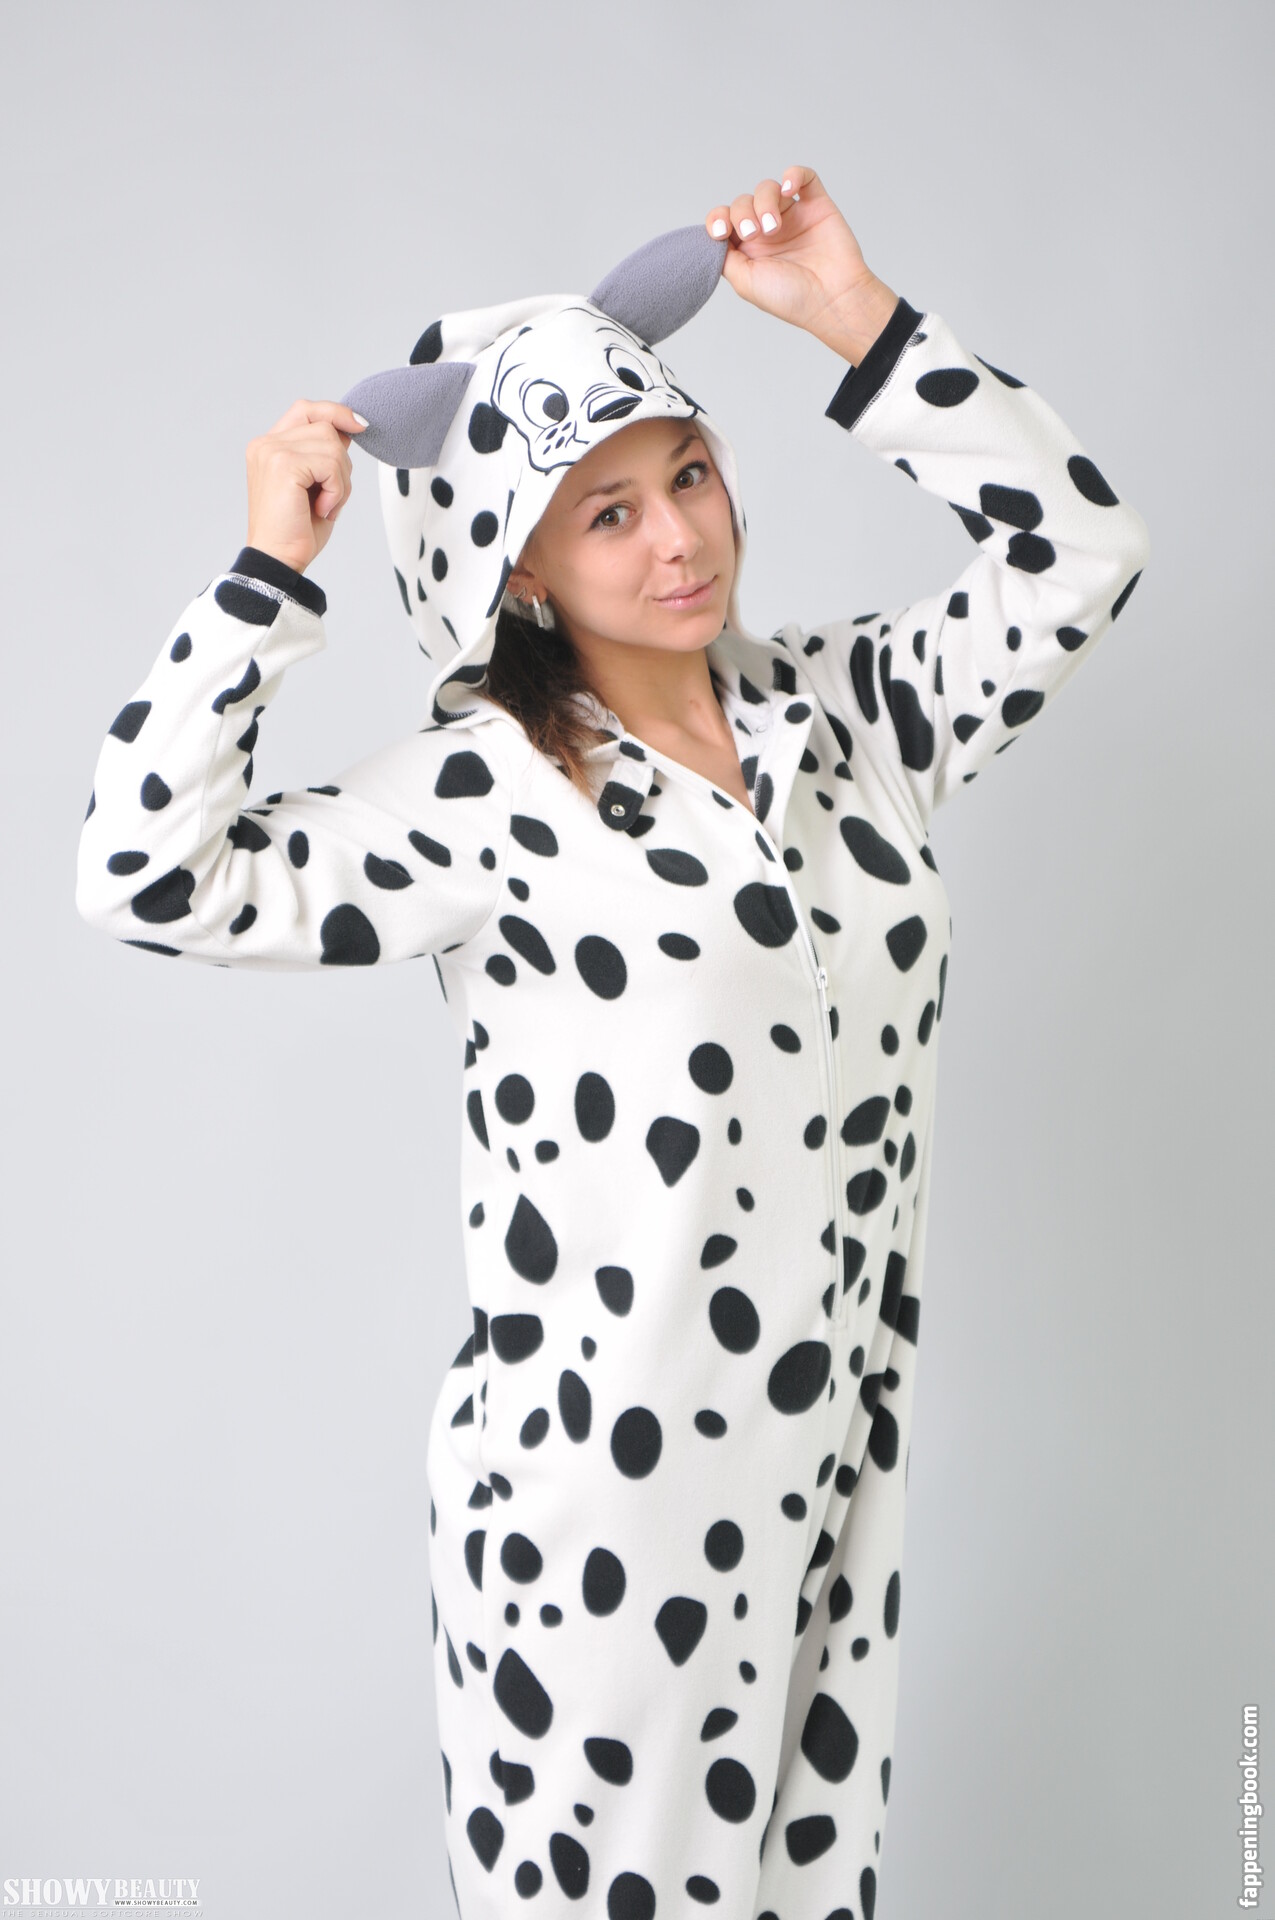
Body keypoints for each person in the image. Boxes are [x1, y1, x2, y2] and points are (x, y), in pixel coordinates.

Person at [75, 167, 1150, 1920]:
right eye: (609, 515)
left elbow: (1083, 554)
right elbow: (141, 872)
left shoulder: (849, 724)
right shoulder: (482, 796)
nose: (680, 542)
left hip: (836, 1462)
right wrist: (269, 573)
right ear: (521, 567)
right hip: (605, 1514)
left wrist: (857, 322)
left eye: (691, 476)